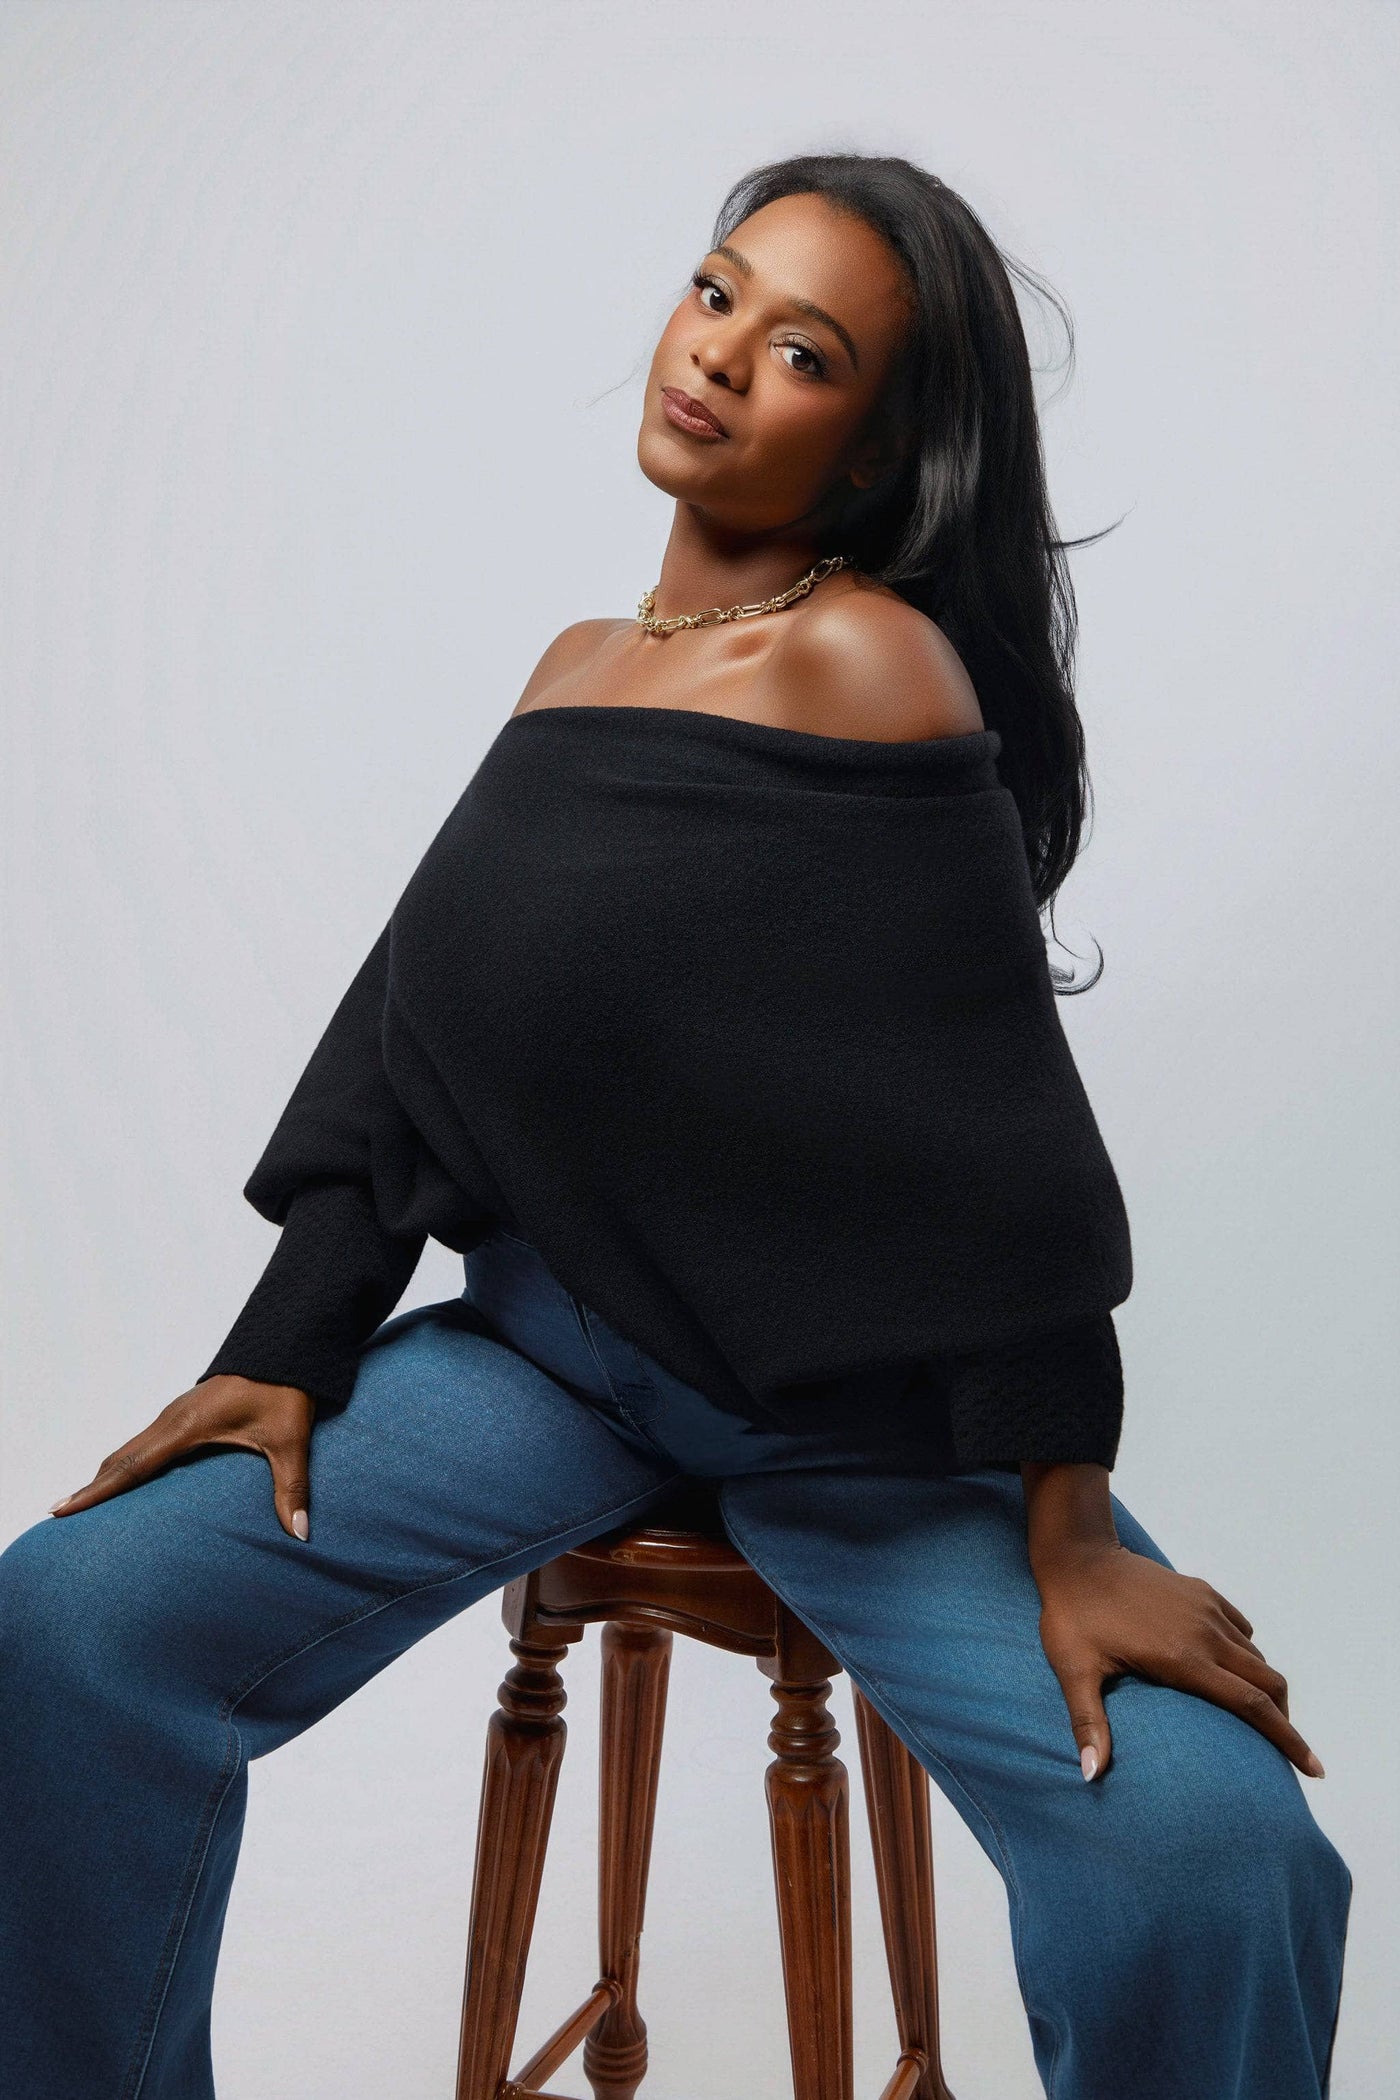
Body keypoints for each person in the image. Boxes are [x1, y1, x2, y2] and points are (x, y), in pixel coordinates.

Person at [0, 152, 1350, 2100]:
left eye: (800, 348)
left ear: (873, 451)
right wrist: (280, 1354)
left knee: (1211, 1865)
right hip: (551, 1363)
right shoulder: (578, 670)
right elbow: (415, 1042)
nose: (717, 354)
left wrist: (1067, 1526)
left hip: (861, 1430)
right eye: (715, 293)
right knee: (63, 1630)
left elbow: (999, 1139)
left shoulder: (867, 664)